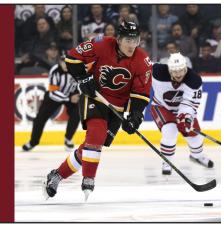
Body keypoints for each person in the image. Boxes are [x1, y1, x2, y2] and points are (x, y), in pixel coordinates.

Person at [42, 21, 152, 200]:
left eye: (136, 40)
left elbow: (141, 93)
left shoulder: (142, 60)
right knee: (96, 134)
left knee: (93, 145)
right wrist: (82, 78)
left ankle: (57, 175)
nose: (132, 45)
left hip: (117, 107)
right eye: (128, 40)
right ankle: (89, 178)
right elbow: (72, 57)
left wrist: (135, 115)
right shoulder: (101, 44)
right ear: (118, 39)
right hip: (95, 97)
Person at [150, 52, 214, 175]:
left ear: (186, 68)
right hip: (161, 106)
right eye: (175, 71)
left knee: (193, 134)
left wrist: (186, 118)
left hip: (182, 109)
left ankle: (197, 156)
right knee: (170, 130)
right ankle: (167, 161)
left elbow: (190, 103)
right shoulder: (157, 71)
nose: (179, 74)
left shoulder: (194, 80)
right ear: (169, 69)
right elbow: (139, 67)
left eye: (181, 70)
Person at [22, 58, 80, 152]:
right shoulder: (55, 70)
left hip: (71, 95)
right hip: (54, 96)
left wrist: (77, 94)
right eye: (63, 62)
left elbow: (81, 83)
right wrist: (69, 98)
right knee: (40, 119)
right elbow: (53, 92)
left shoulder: (77, 69)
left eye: (68, 62)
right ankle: (33, 142)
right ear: (60, 62)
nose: (65, 65)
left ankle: (68, 139)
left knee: (77, 114)